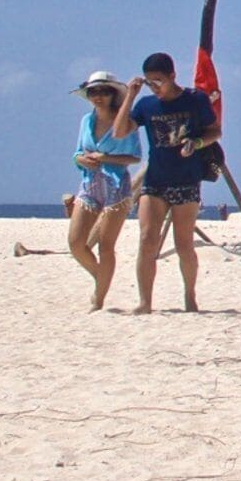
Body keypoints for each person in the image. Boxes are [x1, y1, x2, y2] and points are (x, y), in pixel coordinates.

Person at [126, 52, 221, 314]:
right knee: (147, 239)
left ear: (172, 76)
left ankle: (189, 295)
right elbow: (121, 130)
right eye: (149, 82)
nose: (154, 87)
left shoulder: (195, 100)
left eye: (158, 81)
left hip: (186, 181)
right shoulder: (146, 105)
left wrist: (197, 142)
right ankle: (145, 301)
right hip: (155, 180)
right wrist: (131, 96)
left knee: (183, 244)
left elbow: (215, 131)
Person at [66, 75, 141, 308]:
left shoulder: (126, 123)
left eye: (103, 91)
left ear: (112, 94)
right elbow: (77, 152)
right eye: (93, 92)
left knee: (106, 246)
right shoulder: (86, 121)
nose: (98, 97)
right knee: (76, 243)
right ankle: (101, 277)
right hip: (90, 184)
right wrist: (82, 160)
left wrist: (106, 158)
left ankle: (98, 299)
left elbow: (135, 157)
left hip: (116, 186)